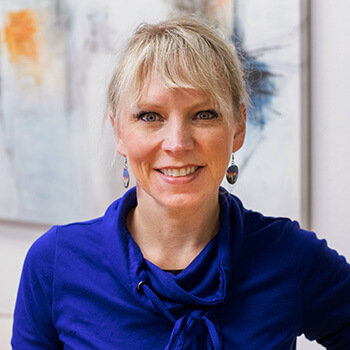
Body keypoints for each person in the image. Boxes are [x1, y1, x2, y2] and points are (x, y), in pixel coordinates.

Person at [12, 15, 350, 350]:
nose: (177, 143)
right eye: (150, 116)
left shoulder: (288, 255)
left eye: (204, 114)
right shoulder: (56, 263)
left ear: (238, 126)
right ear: (118, 131)